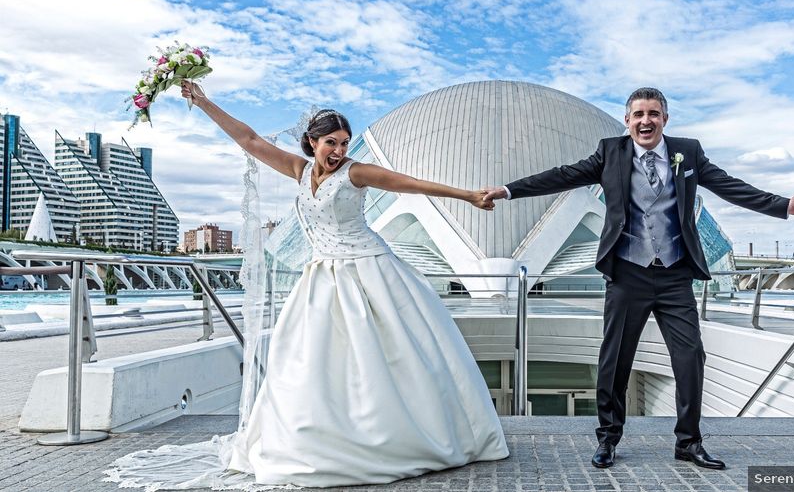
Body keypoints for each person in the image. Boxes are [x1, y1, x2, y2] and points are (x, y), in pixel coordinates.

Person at [106, 82, 508, 489]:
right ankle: (314, 439)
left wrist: (467, 196)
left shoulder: (357, 172)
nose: (338, 150)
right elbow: (247, 138)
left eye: (345, 143)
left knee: (385, 358)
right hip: (320, 277)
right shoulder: (297, 172)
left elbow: (409, 183)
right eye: (330, 142)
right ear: (311, 143)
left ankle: (391, 437)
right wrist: (203, 101)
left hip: (369, 271)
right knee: (309, 361)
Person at [483, 87, 794, 470]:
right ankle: (608, 439)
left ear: (665, 118)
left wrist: (781, 205)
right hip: (628, 273)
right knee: (615, 359)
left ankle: (688, 442)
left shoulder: (687, 153)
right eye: (639, 115)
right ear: (628, 120)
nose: (646, 121)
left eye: (654, 114)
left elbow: (728, 185)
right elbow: (562, 176)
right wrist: (510, 190)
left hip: (675, 275)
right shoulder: (610, 152)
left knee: (691, 356)